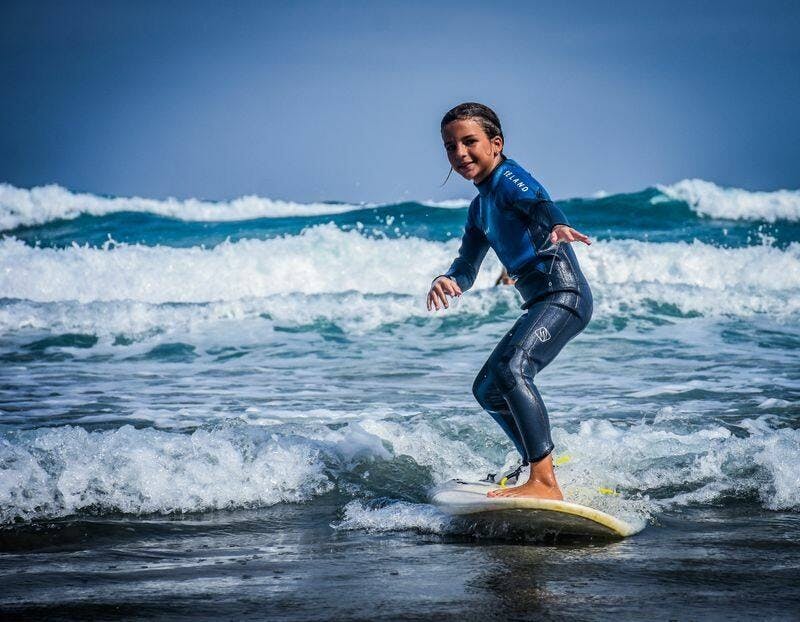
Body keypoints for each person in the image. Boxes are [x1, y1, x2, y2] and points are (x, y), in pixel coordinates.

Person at [427, 102, 593, 500]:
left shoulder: (508, 178)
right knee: (487, 387)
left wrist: (557, 222)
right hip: (540, 300)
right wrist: (448, 279)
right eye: (451, 146)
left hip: (562, 293)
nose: (460, 153)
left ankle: (544, 483)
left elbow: (538, 202)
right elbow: (467, 263)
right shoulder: (479, 207)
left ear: (495, 143)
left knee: (513, 371)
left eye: (470, 142)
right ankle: (535, 464)